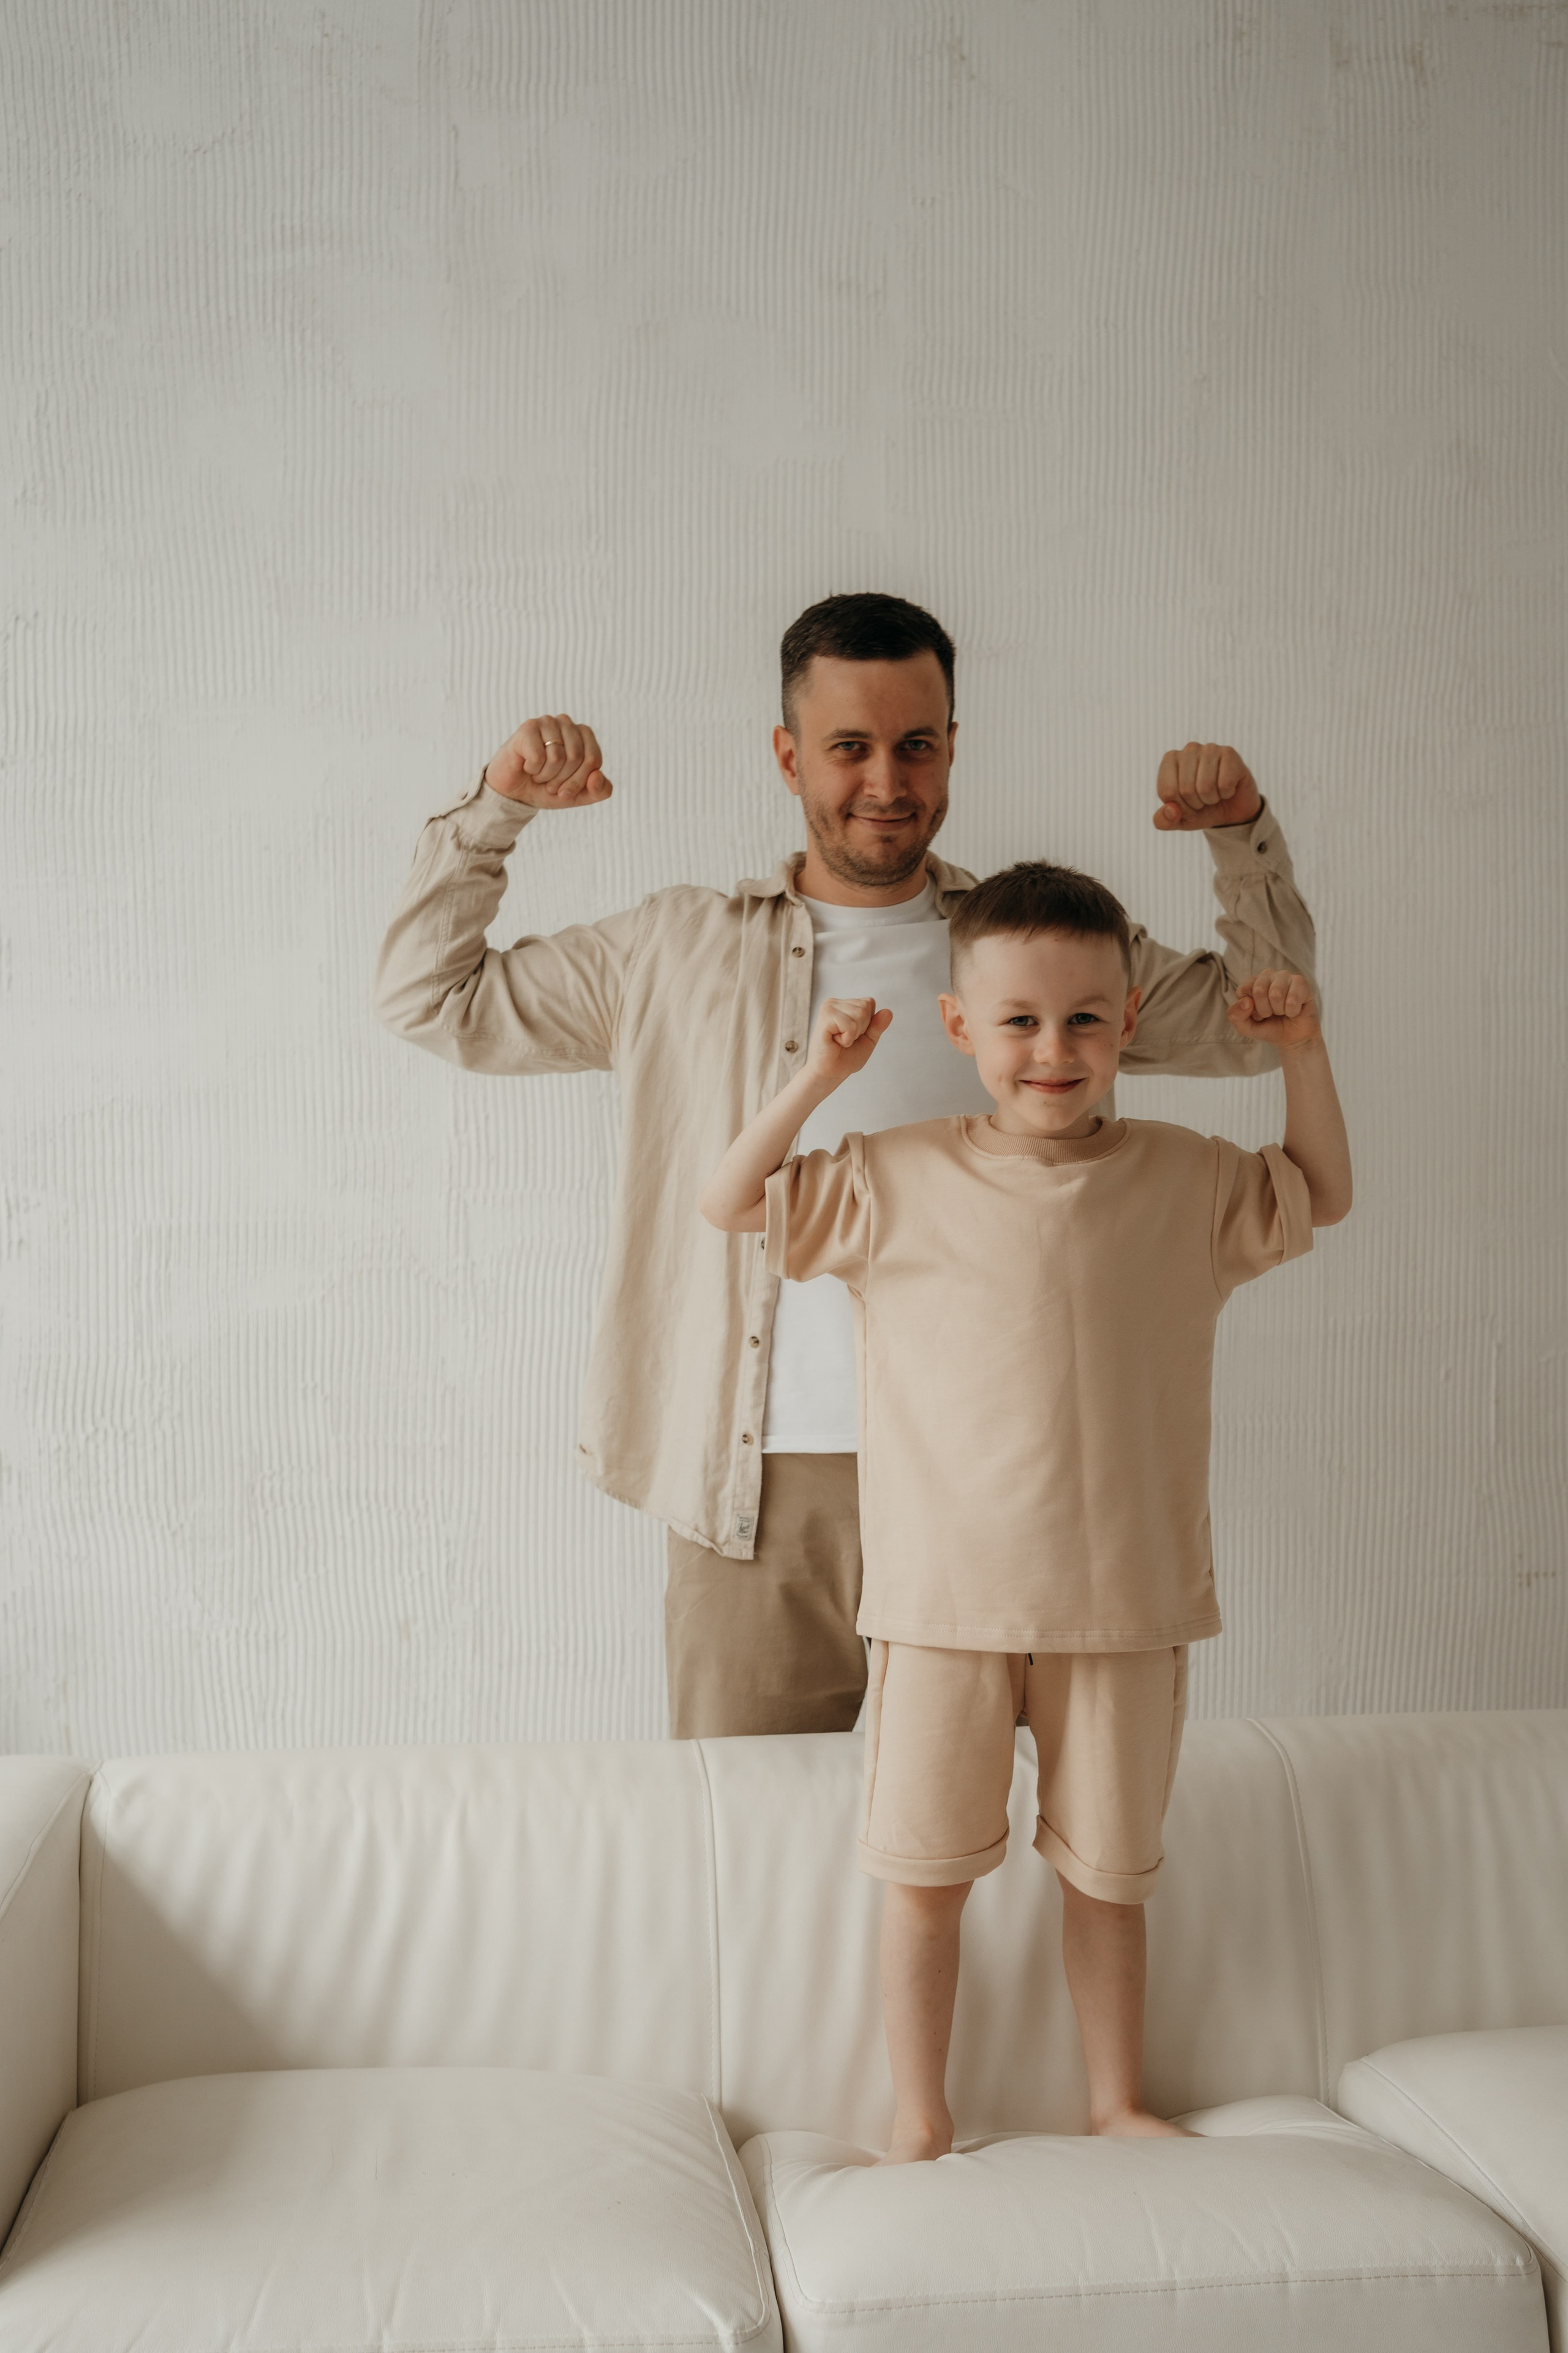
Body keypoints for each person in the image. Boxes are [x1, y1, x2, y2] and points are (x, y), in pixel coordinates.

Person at [374, 592, 1319, 1739]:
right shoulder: (672, 949)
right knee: (756, 1862)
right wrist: (500, 808)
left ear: (954, 748)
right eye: (850, 747)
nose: (887, 780)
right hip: (754, 1494)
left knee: (991, 1858)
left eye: (917, 744)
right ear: (788, 756)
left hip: (1002, 1487)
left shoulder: (1040, 953)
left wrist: (1242, 833)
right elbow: (431, 997)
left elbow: (1260, 1022)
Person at [698, 860, 1351, 2156]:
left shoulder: (1185, 1177)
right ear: (958, 1027)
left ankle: (1113, 2100)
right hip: (941, 1607)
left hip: (1124, 1606)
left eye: (1084, 1019)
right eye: (1016, 1020)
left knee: (1107, 1881)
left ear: (1126, 1027)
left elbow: (1319, 1191)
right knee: (923, 1880)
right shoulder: (890, 1175)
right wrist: (817, 1078)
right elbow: (730, 1199)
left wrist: (1304, 1052)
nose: (1051, 1050)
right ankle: (917, 2115)